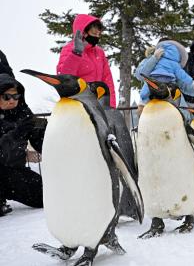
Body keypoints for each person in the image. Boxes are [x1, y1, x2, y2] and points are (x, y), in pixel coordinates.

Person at [0, 74, 45, 216]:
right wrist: (17, 133)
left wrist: (42, 133)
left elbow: (39, 145)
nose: (12, 100)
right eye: (7, 97)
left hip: (13, 170)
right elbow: (3, 153)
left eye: (16, 96)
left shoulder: (22, 112)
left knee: (44, 197)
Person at [56, 14, 116, 107]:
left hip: (97, 106)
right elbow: (64, 77)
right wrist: (76, 54)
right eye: (94, 33)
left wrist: (110, 106)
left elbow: (107, 81)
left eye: (98, 34)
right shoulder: (69, 49)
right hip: (77, 105)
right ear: (83, 32)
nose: (97, 37)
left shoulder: (99, 53)